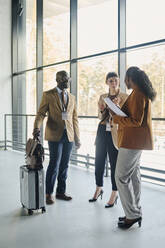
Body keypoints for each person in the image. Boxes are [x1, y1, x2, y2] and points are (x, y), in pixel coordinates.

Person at [111, 66, 156, 229]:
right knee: (134, 177)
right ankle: (135, 211)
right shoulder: (140, 93)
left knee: (120, 177)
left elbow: (135, 121)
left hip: (132, 142)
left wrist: (117, 118)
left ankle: (132, 214)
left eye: (126, 78)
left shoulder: (137, 94)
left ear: (131, 78)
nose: (124, 81)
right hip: (137, 142)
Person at [33, 70, 81, 205]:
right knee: (54, 164)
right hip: (55, 134)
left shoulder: (72, 97)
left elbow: (74, 118)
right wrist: (36, 127)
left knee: (65, 165)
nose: (67, 82)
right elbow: (41, 114)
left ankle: (61, 192)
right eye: (64, 80)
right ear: (58, 80)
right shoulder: (48, 95)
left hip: (69, 135)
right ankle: (48, 193)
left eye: (68, 79)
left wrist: (77, 138)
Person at [89, 72, 128, 207]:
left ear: (119, 81)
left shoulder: (124, 97)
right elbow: (100, 117)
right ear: (107, 82)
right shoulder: (103, 97)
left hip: (115, 133)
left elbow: (124, 117)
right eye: (110, 81)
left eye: (115, 80)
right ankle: (98, 188)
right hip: (102, 131)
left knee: (114, 163)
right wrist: (101, 110)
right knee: (99, 161)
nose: (113, 83)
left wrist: (116, 106)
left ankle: (114, 192)